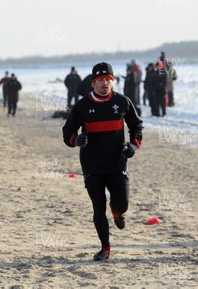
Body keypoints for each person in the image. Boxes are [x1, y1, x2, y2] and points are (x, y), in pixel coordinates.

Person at [62, 62, 143, 262]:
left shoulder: (122, 102)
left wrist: (133, 146)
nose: (104, 84)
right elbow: (68, 131)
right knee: (98, 208)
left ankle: (117, 212)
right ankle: (105, 248)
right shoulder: (82, 106)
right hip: (92, 165)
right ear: (93, 84)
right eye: (100, 81)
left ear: (113, 82)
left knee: (122, 204)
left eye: (108, 80)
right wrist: (76, 140)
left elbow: (136, 125)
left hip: (117, 162)